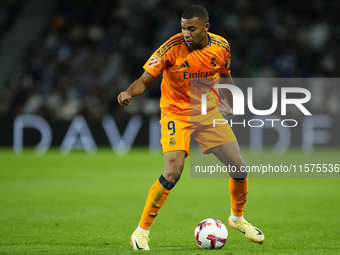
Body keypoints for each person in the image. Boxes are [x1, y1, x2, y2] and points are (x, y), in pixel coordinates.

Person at [117, 5, 265, 250]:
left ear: (206, 27)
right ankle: (140, 232)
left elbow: (225, 74)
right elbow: (143, 81)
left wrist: (228, 98)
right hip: (176, 111)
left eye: (191, 28)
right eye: (183, 28)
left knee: (239, 166)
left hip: (206, 111)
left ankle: (237, 219)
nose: (186, 33)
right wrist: (128, 93)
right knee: (173, 171)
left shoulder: (222, 46)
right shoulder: (170, 49)